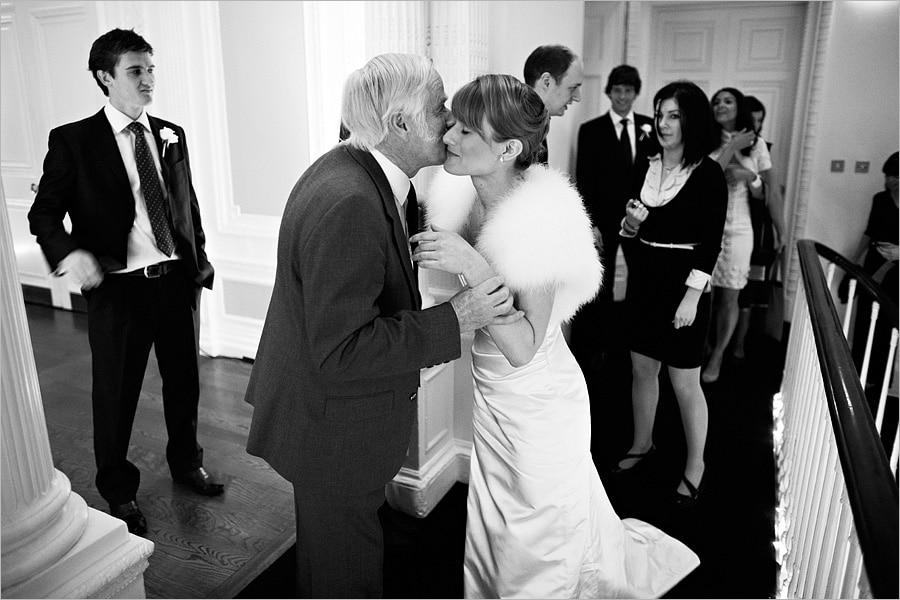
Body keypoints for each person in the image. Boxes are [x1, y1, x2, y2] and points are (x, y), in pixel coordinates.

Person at [243, 54, 521, 599]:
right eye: (439, 108)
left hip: (329, 416)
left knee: (337, 556)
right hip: (332, 432)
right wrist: (456, 318)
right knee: (342, 574)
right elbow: (342, 351)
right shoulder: (350, 200)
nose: (447, 120)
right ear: (399, 124)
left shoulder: (359, 170)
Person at [412, 74, 700, 599]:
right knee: (498, 513)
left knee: (538, 524)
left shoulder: (537, 222)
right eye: (452, 122)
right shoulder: (459, 196)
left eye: (466, 130)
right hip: (492, 395)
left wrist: (472, 264)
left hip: (538, 402)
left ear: (509, 150)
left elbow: (523, 348)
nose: (448, 137)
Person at [27, 28, 222, 536]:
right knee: (115, 394)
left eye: (151, 69)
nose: (148, 80)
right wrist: (71, 255)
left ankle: (186, 462)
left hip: (175, 281)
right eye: (136, 71)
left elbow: (185, 202)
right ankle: (118, 490)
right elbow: (43, 213)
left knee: (184, 381)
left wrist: (196, 258)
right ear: (104, 78)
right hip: (119, 290)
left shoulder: (169, 131)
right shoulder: (73, 141)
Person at [612, 81, 727, 509]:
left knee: (684, 380)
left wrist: (691, 298)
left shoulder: (710, 174)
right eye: (659, 114)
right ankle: (643, 443)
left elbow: (711, 243)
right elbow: (628, 230)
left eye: (673, 115)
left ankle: (696, 463)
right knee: (642, 369)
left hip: (685, 284)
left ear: (691, 120)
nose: (662, 123)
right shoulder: (644, 162)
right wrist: (631, 224)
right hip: (645, 278)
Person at [572, 65, 658, 371]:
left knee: (641, 280)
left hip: (641, 220)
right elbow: (585, 179)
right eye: (618, 90)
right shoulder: (591, 130)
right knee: (601, 282)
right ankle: (598, 345)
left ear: (636, 93)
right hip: (604, 220)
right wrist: (590, 223)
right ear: (609, 92)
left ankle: (630, 344)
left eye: (629, 90)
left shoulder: (651, 128)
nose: (623, 96)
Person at [702, 87, 773, 383]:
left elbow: (764, 192)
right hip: (707, 223)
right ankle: (701, 346)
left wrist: (751, 176)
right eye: (716, 101)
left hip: (741, 226)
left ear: (738, 107)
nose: (721, 105)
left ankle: (718, 354)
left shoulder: (756, 144)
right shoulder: (704, 138)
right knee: (704, 293)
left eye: (727, 101)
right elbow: (706, 177)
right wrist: (731, 146)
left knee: (730, 296)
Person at [730, 95, 786, 359]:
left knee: (747, 290)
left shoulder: (762, 147)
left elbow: (771, 193)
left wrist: (781, 230)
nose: (755, 123)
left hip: (754, 223)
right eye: (751, 118)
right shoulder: (718, 140)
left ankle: (738, 345)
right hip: (723, 221)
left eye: (759, 120)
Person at [841, 152, 899, 390]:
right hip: (874, 265)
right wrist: (852, 261)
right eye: (888, 176)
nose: (890, 181)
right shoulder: (881, 200)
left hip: (897, 271)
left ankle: (879, 381)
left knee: (889, 322)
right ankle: (859, 375)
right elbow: (869, 232)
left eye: (895, 176)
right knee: (865, 318)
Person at [523, 44, 584, 164]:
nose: (578, 97)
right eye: (572, 88)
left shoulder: (536, 121)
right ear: (546, 82)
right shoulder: (520, 130)